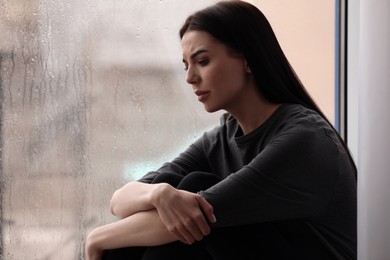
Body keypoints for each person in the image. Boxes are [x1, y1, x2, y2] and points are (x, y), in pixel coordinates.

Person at [85, 1, 357, 259]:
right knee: (177, 193)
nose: (190, 78)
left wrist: (98, 238)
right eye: (186, 65)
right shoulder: (223, 137)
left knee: (194, 192)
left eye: (202, 61)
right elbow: (120, 201)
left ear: (248, 60)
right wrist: (159, 193)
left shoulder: (303, 138)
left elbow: (198, 216)